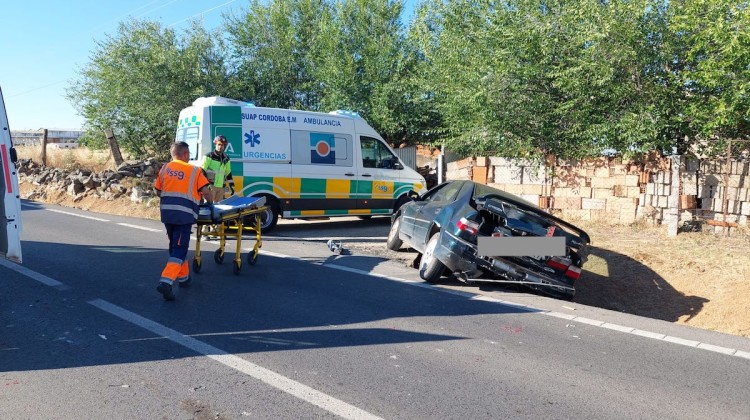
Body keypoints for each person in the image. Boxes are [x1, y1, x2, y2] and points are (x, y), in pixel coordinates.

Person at [154, 141, 213, 301]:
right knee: (180, 248)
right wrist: (211, 203)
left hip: (167, 215)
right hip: (184, 216)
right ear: (186, 154)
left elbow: (158, 191)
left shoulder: (165, 168)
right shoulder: (194, 171)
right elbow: (206, 192)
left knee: (175, 246)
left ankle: (184, 278)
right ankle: (166, 281)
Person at [203, 135, 235, 203]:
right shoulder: (209, 156)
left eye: (223, 145)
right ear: (215, 144)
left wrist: (232, 185)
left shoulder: (226, 158)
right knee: (208, 207)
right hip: (211, 186)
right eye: (219, 144)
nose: (221, 147)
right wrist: (206, 185)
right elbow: (202, 171)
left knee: (219, 209)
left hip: (221, 188)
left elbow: (228, 173)